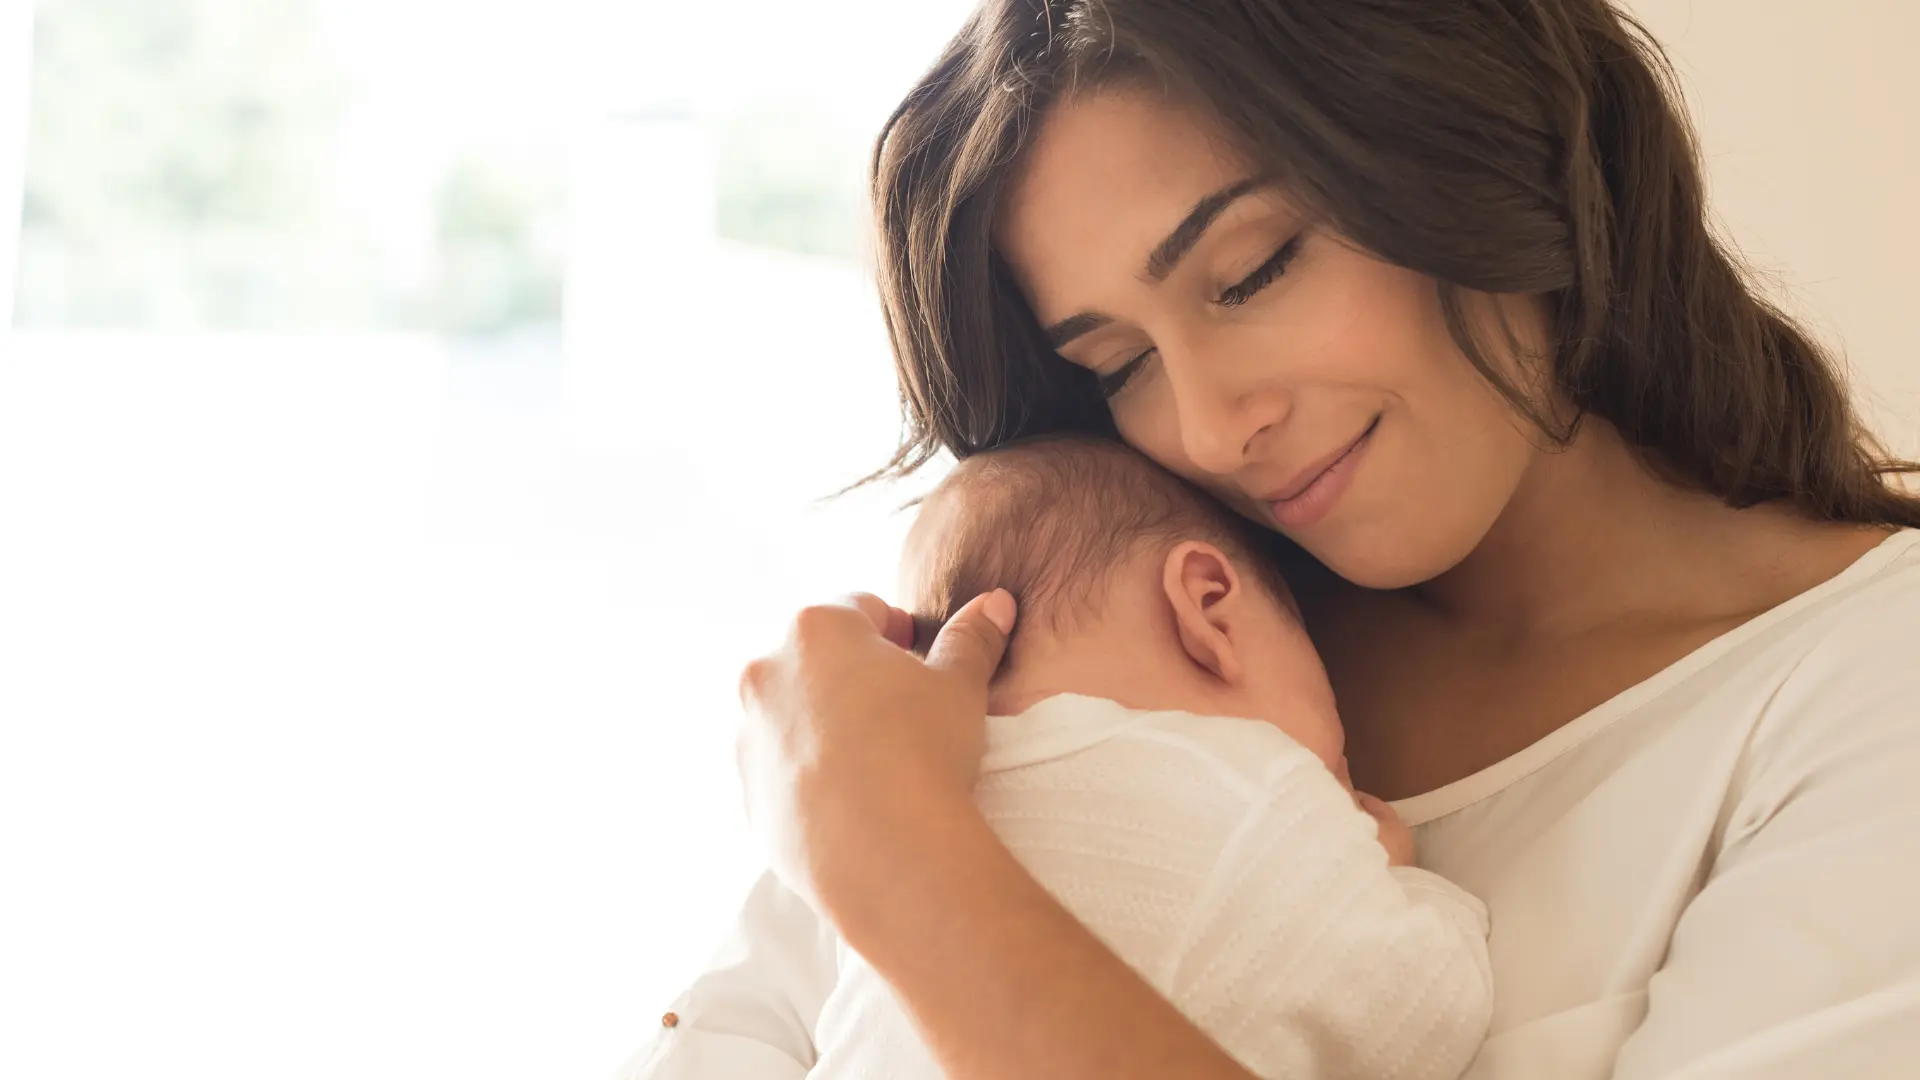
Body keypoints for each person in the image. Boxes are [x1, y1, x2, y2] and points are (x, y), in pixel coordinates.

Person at [717, 1, 1920, 1077]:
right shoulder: (1113, 649)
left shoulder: (1864, 693)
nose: (1207, 426)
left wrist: (900, 863)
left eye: (1252, 272)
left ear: (1476, 145)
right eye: (1120, 365)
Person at [631, 436, 1494, 1079]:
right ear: (1210, 605)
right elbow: (1426, 1013)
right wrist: (1398, 880)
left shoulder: (877, 819)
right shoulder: (1259, 793)